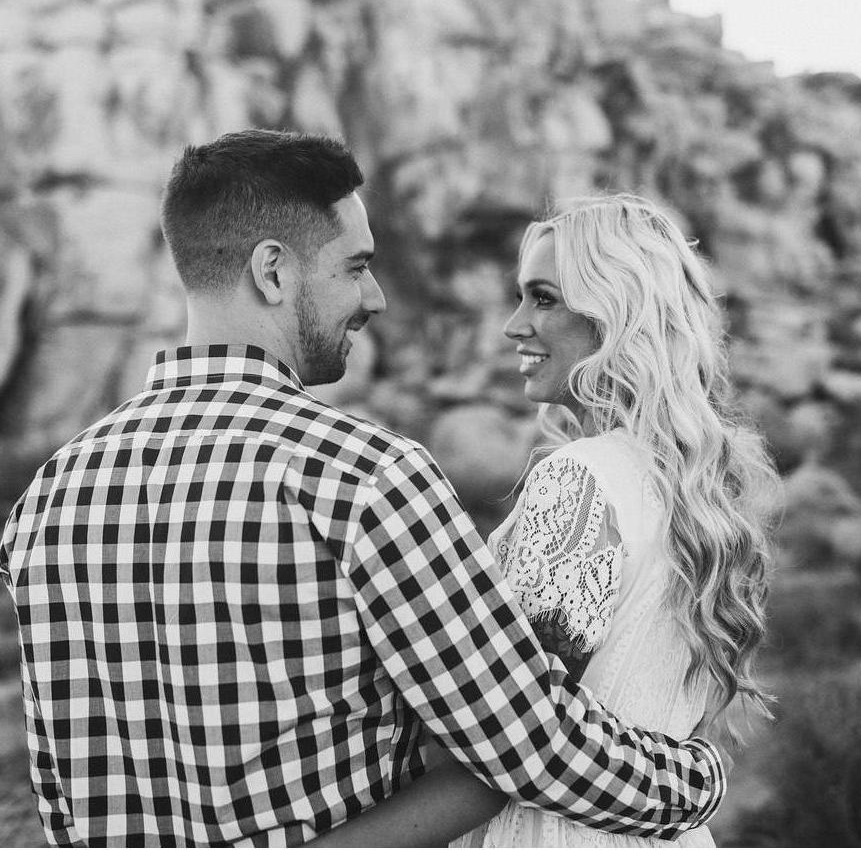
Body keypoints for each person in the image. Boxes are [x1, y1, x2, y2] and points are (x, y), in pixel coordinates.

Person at [0, 132, 726, 847]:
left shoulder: (47, 499)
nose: (374, 298)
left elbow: (59, 793)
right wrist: (696, 782)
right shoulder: (365, 478)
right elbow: (525, 743)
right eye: (355, 266)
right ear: (273, 272)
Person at [316, 193, 779, 847]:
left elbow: (512, 735)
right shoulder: (695, 485)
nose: (513, 326)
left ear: (613, 313)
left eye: (543, 299)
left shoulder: (581, 479)